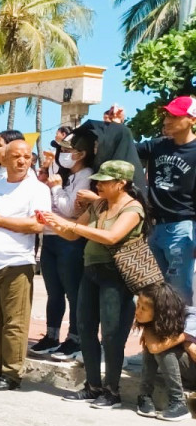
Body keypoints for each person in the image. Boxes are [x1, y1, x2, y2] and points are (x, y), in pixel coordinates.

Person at [45, 160, 145, 407]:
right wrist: (55, 223)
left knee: (112, 334)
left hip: (116, 275)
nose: (98, 184)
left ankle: (112, 391)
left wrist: (72, 225)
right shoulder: (99, 204)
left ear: (121, 183)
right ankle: (92, 386)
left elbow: (111, 237)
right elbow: (73, 233)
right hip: (91, 271)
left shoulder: (133, 209)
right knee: (86, 328)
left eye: (104, 181)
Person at [0, 139, 50, 391]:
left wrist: (0, 219)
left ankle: (12, 373)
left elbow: (36, 225)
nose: (21, 161)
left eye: (27, 157)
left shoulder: (37, 189)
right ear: (3, 159)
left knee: (15, 322)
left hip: (16, 263)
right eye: (16, 156)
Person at [30, 132, 95, 359]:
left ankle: (75, 339)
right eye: (62, 150)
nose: (63, 154)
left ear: (82, 153)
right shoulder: (64, 175)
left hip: (68, 240)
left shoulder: (86, 175)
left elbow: (70, 210)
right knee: (53, 291)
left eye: (68, 150)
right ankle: (51, 335)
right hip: (49, 236)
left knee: (72, 291)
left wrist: (56, 188)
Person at [132, 97, 196, 304]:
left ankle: (183, 334)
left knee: (178, 289)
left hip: (182, 228)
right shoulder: (158, 145)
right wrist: (115, 126)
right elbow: (127, 149)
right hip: (154, 227)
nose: (167, 120)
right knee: (153, 288)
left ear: (192, 119)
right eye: (167, 114)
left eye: (175, 115)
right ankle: (161, 333)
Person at [132, 282, 191, 421]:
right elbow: (152, 347)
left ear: (159, 311)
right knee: (154, 346)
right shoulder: (155, 322)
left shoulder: (189, 319)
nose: (137, 311)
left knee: (163, 349)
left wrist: (187, 339)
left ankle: (178, 403)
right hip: (185, 372)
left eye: (143, 308)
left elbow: (156, 348)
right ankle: (144, 397)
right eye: (138, 305)